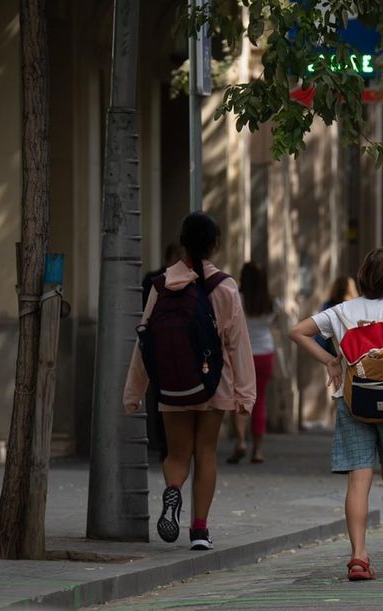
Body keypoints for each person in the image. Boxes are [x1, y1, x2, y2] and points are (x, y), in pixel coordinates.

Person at [290, 247, 383, 581]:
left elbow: (297, 331)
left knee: (359, 479)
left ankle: (358, 557)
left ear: (363, 273)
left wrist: (330, 360)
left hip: (353, 404)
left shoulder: (340, 312)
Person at [124, 212, 256, 551]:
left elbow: (146, 342)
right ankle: (199, 530)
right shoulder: (225, 287)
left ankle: (173, 490)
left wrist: (133, 393)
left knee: (177, 453)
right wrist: (246, 395)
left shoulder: (162, 285)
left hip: (172, 385)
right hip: (215, 386)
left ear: (182, 244)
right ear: (214, 246)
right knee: (206, 451)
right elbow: (238, 343)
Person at [228, 261, 289, 465]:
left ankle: (240, 441)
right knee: (260, 400)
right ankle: (258, 449)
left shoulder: (238, 299)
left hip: (242, 354)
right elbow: (281, 325)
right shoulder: (272, 303)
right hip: (265, 353)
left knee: (240, 399)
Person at [141, 242, 184, 462]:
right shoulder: (155, 280)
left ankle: (170, 444)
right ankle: (164, 443)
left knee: (167, 397)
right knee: (161, 397)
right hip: (161, 348)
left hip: (168, 348)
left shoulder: (187, 280)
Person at [315, 276, 357, 356]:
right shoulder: (356, 307)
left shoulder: (328, 307)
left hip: (334, 352)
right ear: (351, 290)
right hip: (354, 353)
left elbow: (321, 336)